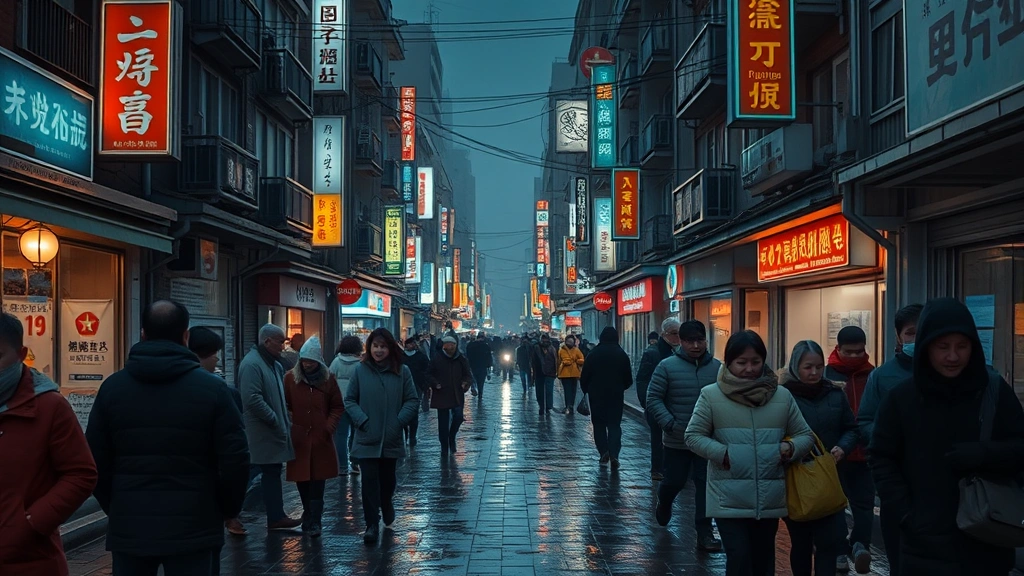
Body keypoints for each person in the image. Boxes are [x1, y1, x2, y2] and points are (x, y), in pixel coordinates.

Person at [86, 301, 249, 575]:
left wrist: (116, 506)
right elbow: (236, 459)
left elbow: (94, 459)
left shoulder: (113, 388)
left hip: (131, 524)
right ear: (185, 336)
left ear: (143, 333)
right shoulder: (214, 390)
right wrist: (226, 509)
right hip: (196, 524)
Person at [870, 298, 1024, 576]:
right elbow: (881, 457)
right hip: (922, 545)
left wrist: (985, 454)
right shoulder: (902, 399)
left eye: (962, 346)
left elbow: (1020, 446)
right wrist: (907, 513)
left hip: (987, 537)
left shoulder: (993, 392)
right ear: (926, 346)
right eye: (943, 347)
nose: (953, 356)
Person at [684, 330, 814, 576]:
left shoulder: (782, 396)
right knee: (739, 555)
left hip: (769, 498)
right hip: (727, 496)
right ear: (729, 362)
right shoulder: (711, 395)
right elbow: (693, 436)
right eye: (741, 362)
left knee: (764, 559)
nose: (749, 368)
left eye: (755, 362)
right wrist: (724, 454)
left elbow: (805, 435)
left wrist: (789, 448)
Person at [0, 312, 97, 576]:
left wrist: (31, 522)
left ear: (21, 354)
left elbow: (81, 473)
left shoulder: (49, 406)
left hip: (27, 559)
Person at [780, 340, 859, 576]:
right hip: (796, 480)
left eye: (818, 366)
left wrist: (843, 448)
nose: (814, 372)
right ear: (796, 366)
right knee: (801, 543)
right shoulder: (783, 396)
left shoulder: (835, 393)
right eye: (807, 367)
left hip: (830, 480)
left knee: (829, 543)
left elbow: (851, 428)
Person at [856, 303, 921, 576]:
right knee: (900, 559)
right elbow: (865, 422)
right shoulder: (882, 376)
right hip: (898, 482)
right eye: (910, 333)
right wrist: (894, 439)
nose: (916, 339)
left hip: (946, 489)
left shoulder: (951, 373)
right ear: (898, 336)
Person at [646, 320, 721, 551]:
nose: (696, 345)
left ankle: (704, 532)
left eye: (700, 340)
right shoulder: (667, 366)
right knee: (674, 481)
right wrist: (668, 422)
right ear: (681, 341)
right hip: (677, 439)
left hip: (707, 440)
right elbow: (653, 398)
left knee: (705, 485)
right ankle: (665, 500)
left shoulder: (718, 368)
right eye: (690, 341)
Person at [343, 328, 419, 545]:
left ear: (390, 348)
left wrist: (398, 422)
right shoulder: (360, 371)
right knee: (368, 483)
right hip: (367, 436)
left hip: (391, 437)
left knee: (387, 481)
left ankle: (386, 503)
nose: (378, 350)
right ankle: (371, 524)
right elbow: (349, 400)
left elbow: (412, 400)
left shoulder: (402, 372)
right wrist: (362, 420)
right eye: (375, 346)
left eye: (383, 346)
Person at [238, 324, 302, 530]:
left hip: (272, 430)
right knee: (258, 471)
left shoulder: (273, 364)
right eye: (280, 342)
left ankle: (275, 516)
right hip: (261, 432)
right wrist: (274, 418)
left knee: (270, 471)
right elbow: (252, 398)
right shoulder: (252, 364)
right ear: (267, 341)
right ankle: (232, 512)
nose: (283, 347)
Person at [824, 325, 875, 573]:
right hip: (836, 453)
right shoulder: (826, 375)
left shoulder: (873, 375)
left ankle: (860, 546)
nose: (855, 357)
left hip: (864, 453)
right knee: (835, 506)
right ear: (838, 349)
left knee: (864, 506)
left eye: (859, 351)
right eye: (849, 352)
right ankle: (840, 550)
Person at [188, 327, 248, 536]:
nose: (217, 361)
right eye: (215, 356)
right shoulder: (220, 391)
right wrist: (230, 510)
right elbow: (235, 456)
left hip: (133, 517)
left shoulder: (117, 386)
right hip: (201, 508)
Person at [284, 337, 344, 538]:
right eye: (304, 360)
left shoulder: (328, 379)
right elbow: (285, 405)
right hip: (300, 439)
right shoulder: (290, 379)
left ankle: (315, 520)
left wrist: (329, 427)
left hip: (321, 439)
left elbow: (337, 406)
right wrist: (291, 424)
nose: (307, 364)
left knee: (318, 481)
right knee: (302, 480)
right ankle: (307, 512)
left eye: (311, 361)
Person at [580, 327, 633, 470]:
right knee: (614, 425)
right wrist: (621, 387)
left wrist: (586, 389)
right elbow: (628, 378)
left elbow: (584, 376)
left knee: (599, 425)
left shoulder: (593, 354)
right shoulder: (621, 354)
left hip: (596, 395)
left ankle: (604, 452)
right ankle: (614, 454)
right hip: (615, 395)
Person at [636, 319, 680, 481]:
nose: (678, 337)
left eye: (679, 334)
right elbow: (642, 379)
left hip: (675, 402)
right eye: (674, 334)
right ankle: (657, 469)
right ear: (664, 335)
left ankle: (674, 468)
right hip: (656, 403)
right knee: (658, 437)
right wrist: (646, 402)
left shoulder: (681, 351)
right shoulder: (653, 353)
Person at [429, 334, 473, 455]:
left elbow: (467, 374)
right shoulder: (437, 359)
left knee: (458, 417)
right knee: (443, 423)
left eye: (452, 344)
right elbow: (429, 374)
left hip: (457, 393)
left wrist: (465, 383)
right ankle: (444, 446)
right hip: (442, 393)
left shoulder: (461, 359)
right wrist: (435, 383)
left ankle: (451, 436)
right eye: (447, 344)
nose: (450, 347)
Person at [329, 336, 363, 475]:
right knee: (356, 435)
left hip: (339, 404)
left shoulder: (336, 362)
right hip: (356, 404)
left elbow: (329, 381)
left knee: (341, 436)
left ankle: (342, 466)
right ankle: (355, 463)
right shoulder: (360, 365)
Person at [402, 335, 431, 446]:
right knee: (403, 412)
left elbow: (427, 371)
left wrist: (426, 385)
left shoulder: (421, 357)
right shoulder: (401, 357)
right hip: (402, 388)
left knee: (414, 412)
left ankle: (412, 436)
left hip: (417, 386)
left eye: (413, 343)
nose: (412, 345)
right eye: (409, 344)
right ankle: (405, 434)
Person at [557, 334, 585, 415]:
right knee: (567, 390)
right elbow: (559, 361)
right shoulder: (561, 350)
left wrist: (576, 361)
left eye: (571, 341)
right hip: (564, 373)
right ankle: (567, 405)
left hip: (574, 373)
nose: (570, 343)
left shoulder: (576, 350)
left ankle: (571, 405)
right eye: (568, 341)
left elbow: (582, 359)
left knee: (573, 391)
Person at [533, 334, 559, 415]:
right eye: (543, 339)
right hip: (539, 372)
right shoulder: (536, 348)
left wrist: (556, 371)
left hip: (550, 373)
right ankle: (541, 406)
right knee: (539, 391)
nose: (544, 341)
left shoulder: (552, 349)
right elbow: (533, 360)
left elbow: (555, 360)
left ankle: (548, 407)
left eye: (546, 339)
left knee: (549, 391)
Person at [466, 332, 493, 398]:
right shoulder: (486, 346)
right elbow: (489, 357)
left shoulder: (470, 345)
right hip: (482, 367)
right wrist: (489, 366)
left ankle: (473, 388)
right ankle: (480, 395)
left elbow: (467, 355)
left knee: (473, 379)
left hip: (473, 365)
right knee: (481, 382)